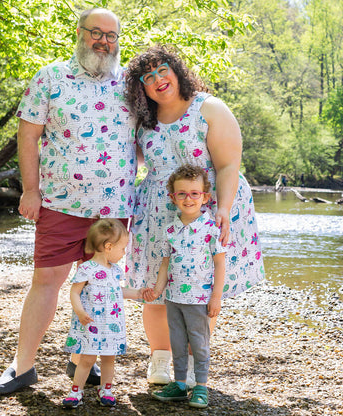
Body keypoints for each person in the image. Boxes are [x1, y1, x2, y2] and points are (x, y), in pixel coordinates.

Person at [0, 8, 137, 394]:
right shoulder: (50, 77)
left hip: (114, 207)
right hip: (60, 202)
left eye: (111, 36)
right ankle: (22, 367)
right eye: (96, 33)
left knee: (98, 286)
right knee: (47, 280)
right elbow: (27, 137)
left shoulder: (131, 85)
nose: (104, 41)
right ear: (80, 33)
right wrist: (31, 189)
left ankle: (81, 359)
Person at [124, 45, 265, 387]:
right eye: (148, 77)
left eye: (163, 70)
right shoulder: (143, 121)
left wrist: (224, 210)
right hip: (158, 215)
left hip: (207, 210)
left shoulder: (208, 107)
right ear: (141, 87)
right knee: (155, 290)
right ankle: (159, 361)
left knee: (199, 291)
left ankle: (190, 364)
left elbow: (229, 164)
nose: (158, 80)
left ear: (177, 71)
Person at [143, 164, 226, 408]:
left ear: (205, 197)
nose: (188, 199)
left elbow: (220, 265)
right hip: (173, 298)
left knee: (198, 344)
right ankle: (179, 384)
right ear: (173, 197)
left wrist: (216, 297)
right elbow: (165, 264)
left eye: (194, 193)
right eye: (182, 193)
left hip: (200, 299)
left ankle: (200, 386)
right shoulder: (170, 230)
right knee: (177, 342)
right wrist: (158, 289)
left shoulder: (211, 229)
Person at [62, 219, 147, 408]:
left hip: (111, 323)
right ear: (108, 246)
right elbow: (74, 292)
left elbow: (117, 292)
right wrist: (80, 311)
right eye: (123, 248)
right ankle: (76, 390)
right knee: (87, 358)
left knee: (109, 357)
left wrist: (137, 293)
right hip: (92, 323)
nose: (124, 252)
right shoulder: (86, 268)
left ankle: (106, 389)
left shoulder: (115, 271)